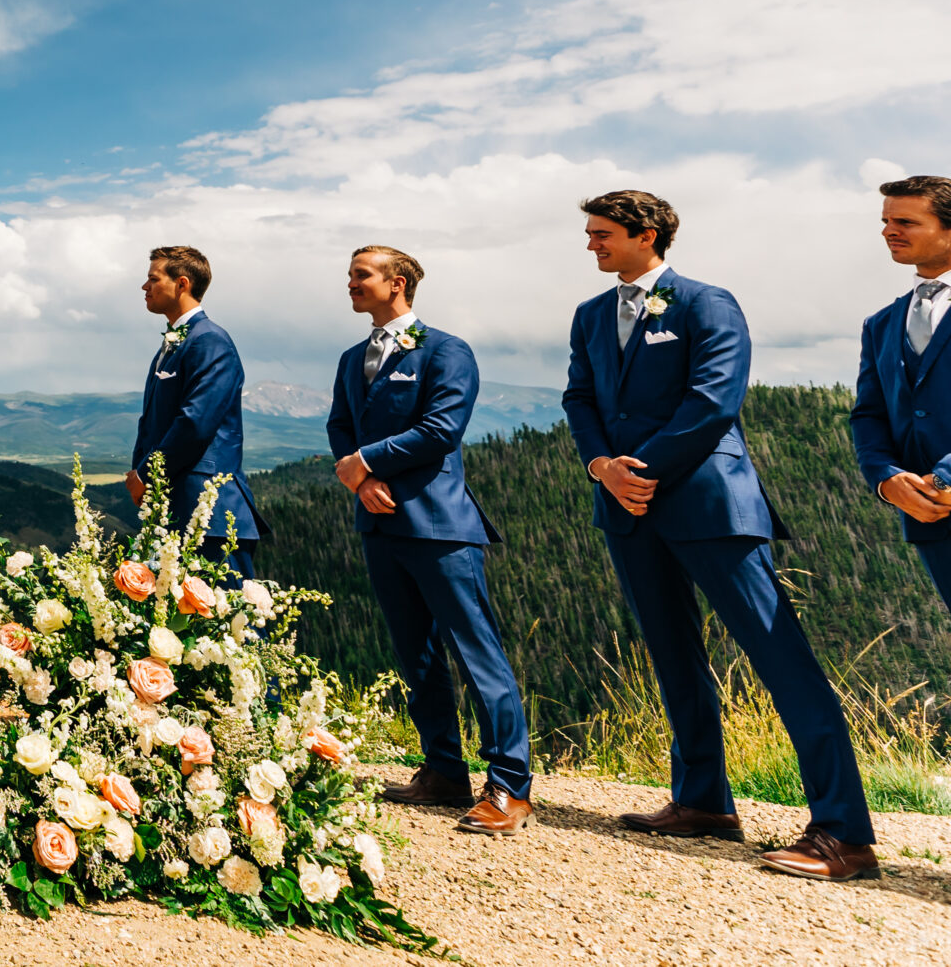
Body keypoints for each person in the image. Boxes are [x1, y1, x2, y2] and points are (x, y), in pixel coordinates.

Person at [562, 189, 875, 880]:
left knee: (780, 657)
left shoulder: (707, 302)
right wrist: (601, 467)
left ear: (648, 235)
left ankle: (844, 830)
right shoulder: (590, 315)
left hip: (708, 504)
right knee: (675, 655)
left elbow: (714, 399)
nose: (591, 244)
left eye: (602, 233)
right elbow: (578, 397)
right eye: (589, 233)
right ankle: (704, 800)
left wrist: (638, 470)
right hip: (626, 507)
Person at [326, 245, 533, 834]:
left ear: (399, 282)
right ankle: (443, 770)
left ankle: (511, 787)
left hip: (440, 525)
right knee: (415, 655)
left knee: (476, 651)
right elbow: (341, 424)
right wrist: (360, 480)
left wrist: (365, 463)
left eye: (360, 275)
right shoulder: (350, 358)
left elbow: (440, 430)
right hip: (380, 521)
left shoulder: (447, 350)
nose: (350, 284)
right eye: (349, 276)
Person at [125, 245, 259, 576]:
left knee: (230, 622)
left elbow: (196, 422)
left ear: (182, 284)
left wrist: (145, 475)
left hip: (208, 513)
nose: (145, 287)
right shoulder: (177, 342)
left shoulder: (209, 340)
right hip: (173, 510)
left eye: (153, 279)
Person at [850, 174, 951, 612]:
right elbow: (868, 414)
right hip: (931, 516)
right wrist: (886, 479)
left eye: (906, 221)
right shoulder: (881, 323)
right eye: (886, 221)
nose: (889, 231)